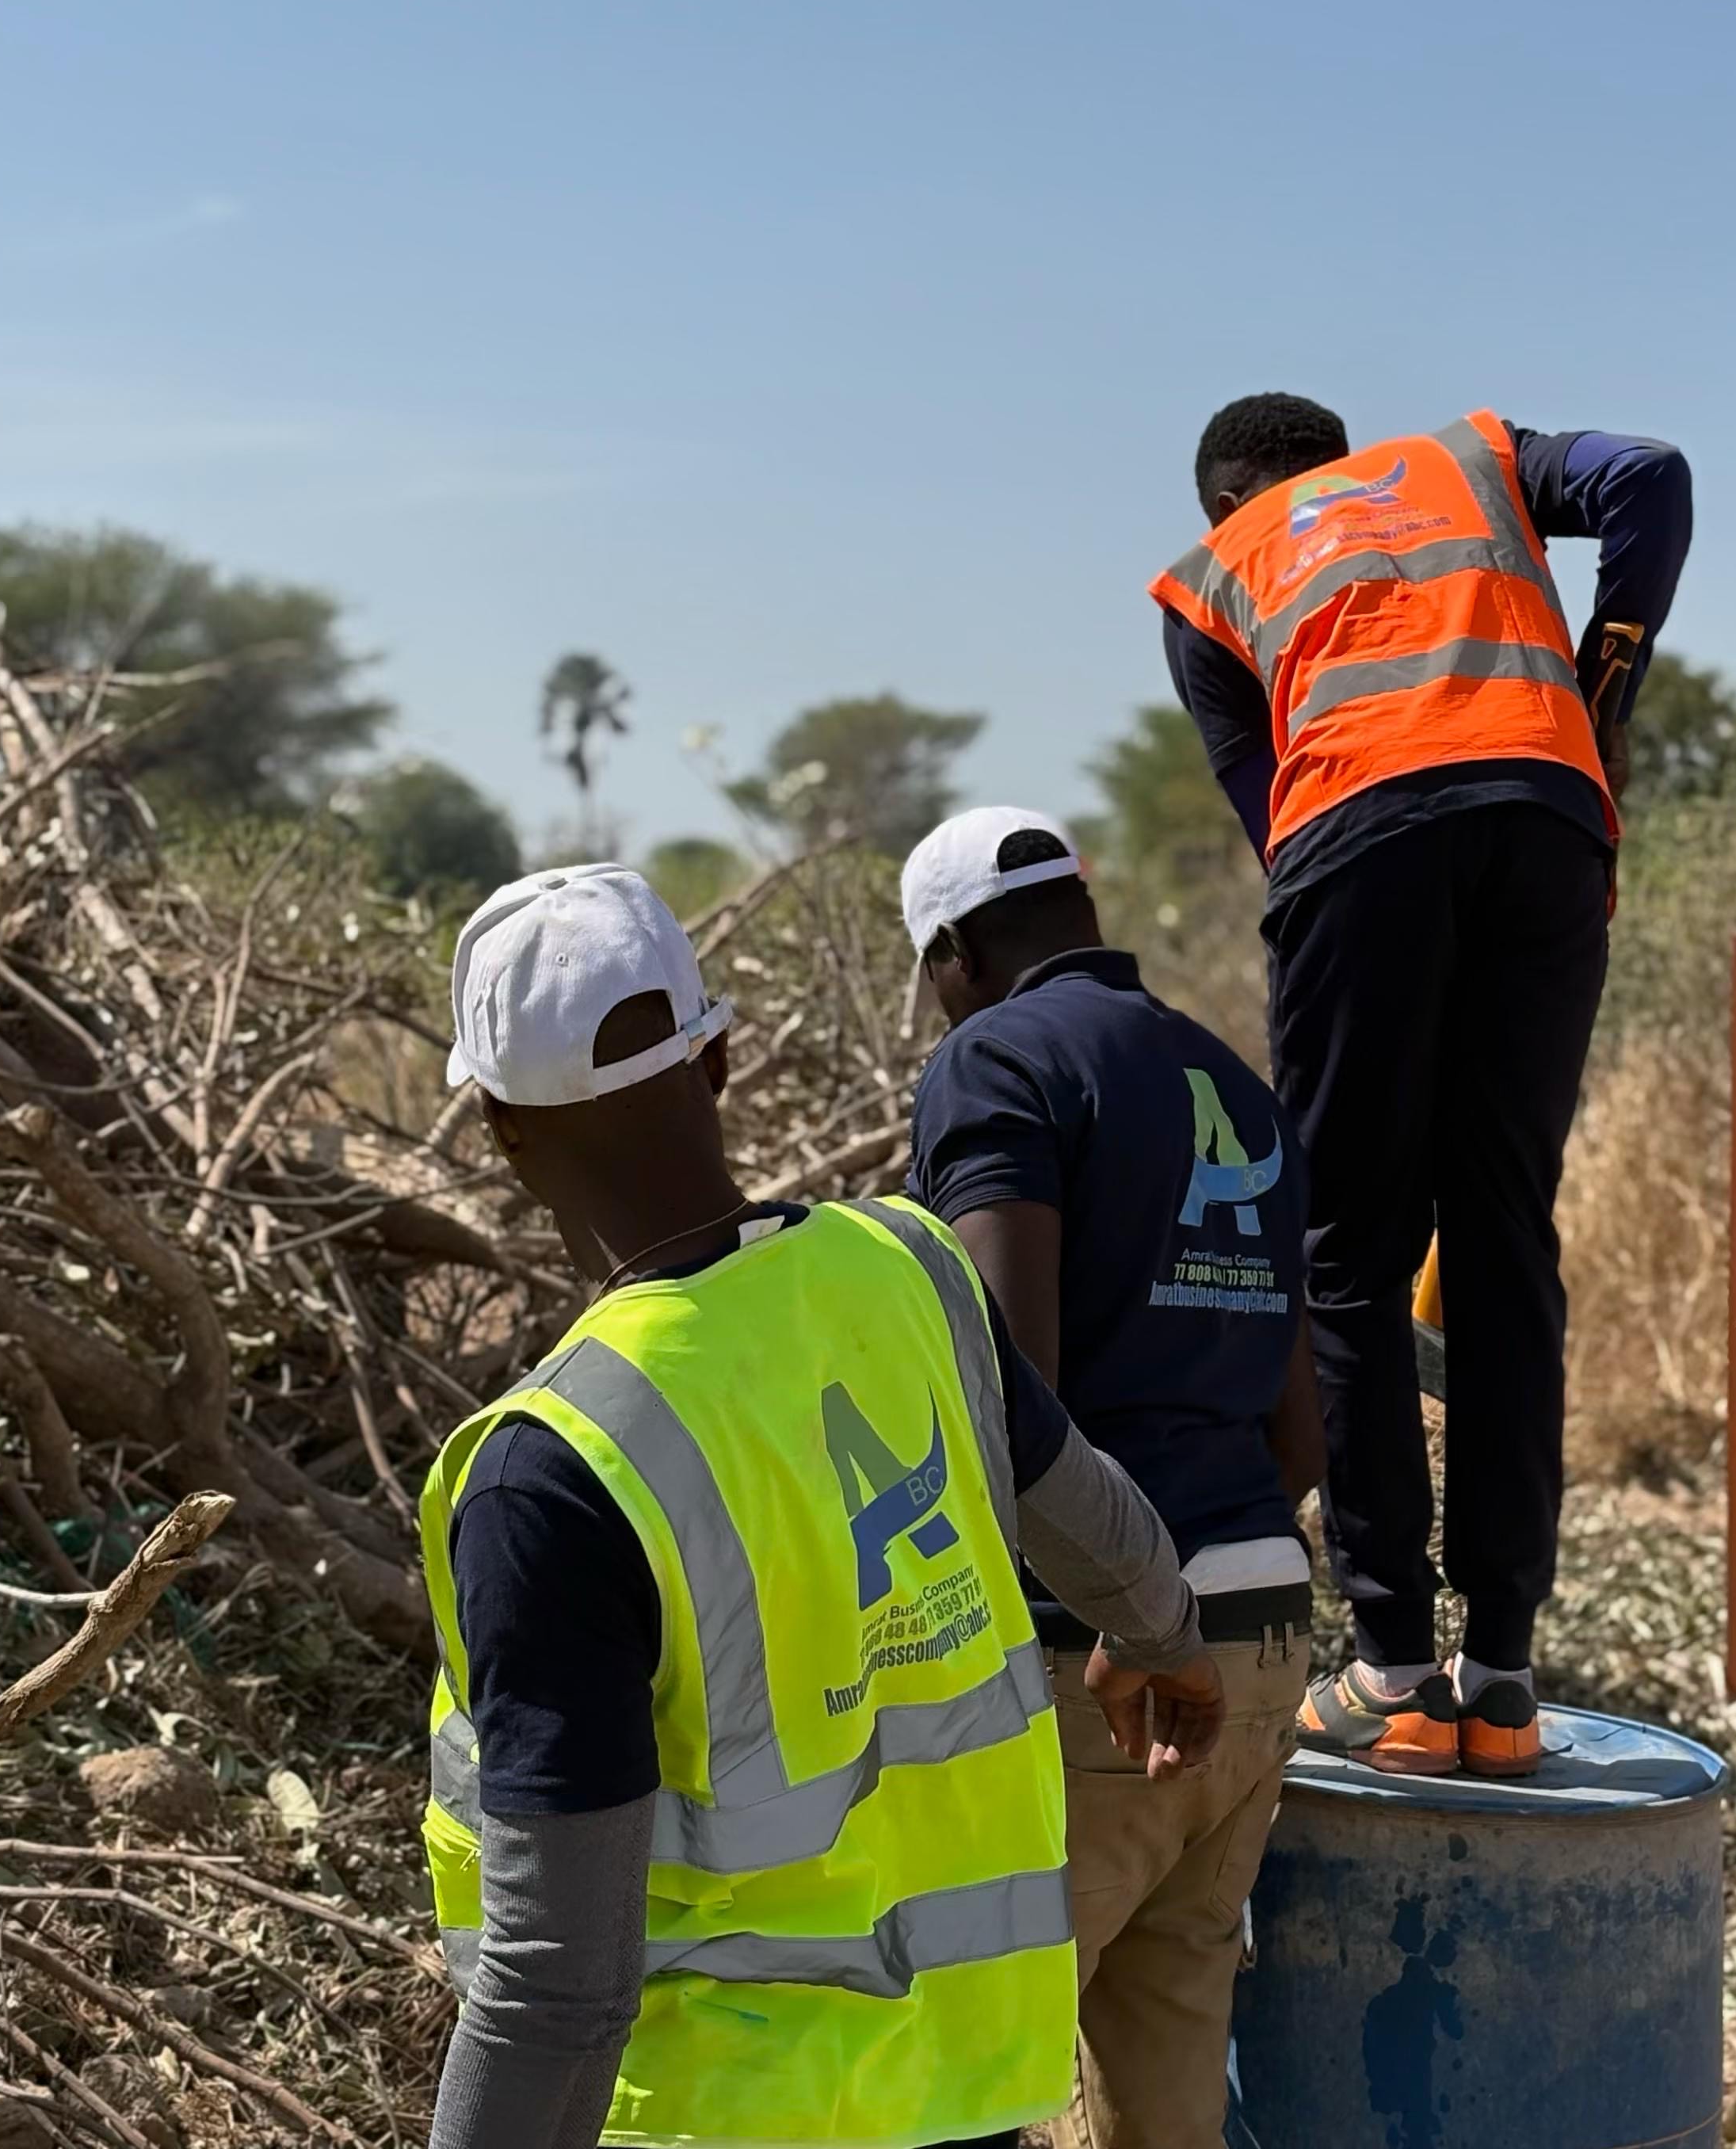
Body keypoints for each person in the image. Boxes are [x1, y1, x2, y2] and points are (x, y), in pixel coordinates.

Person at [420, 863, 1227, 2149]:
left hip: (730, 2118)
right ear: (723, 1058)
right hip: (957, 2090)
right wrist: (1167, 1636)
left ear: (501, 1129)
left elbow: (553, 1988)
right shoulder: (908, 1269)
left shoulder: (555, 1471)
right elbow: (1082, 1504)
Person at [1150, 396, 1692, 1777]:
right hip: (1550, 812)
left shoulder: (1215, 576)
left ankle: (1393, 1668)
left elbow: (1282, 822)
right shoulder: (1469, 460)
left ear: (1226, 502)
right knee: (1505, 1235)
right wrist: (1601, 682)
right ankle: (1502, 1682)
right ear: (1340, 465)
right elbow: (1652, 477)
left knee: (1350, 1251)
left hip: (1359, 840)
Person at [900, 809, 1322, 2149]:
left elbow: (1008, 1398)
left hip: (1110, 1667)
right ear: (1085, 910)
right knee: (1167, 2096)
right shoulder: (1229, 1080)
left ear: (954, 952)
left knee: (960, 2086)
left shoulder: (996, 1062)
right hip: (1261, 1649)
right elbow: (1304, 1433)